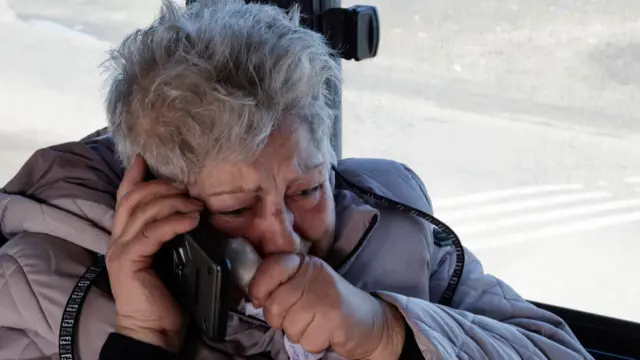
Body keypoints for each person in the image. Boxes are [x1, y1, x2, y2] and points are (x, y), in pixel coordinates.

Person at [0, 1, 593, 359]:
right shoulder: (39, 277)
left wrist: (386, 332)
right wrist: (142, 337)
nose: (284, 238)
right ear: (153, 199)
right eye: (235, 207)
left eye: (306, 191)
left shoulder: (389, 227)